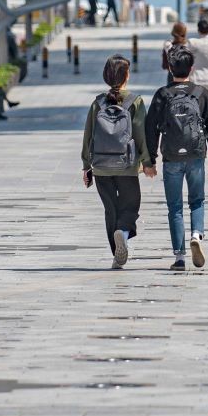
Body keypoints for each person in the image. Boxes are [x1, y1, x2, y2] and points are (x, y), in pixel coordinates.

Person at [143, 46, 208, 270]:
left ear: (169, 68)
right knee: (197, 200)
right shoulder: (201, 93)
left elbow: (151, 129)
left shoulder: (162, 94)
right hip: (196, 155)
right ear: (192, 69)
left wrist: (150, 159)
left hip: (171, 157)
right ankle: (196, 234)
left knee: (174, 207)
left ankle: (179, 257)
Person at [81, 55, 152, 268]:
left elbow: (88, 135)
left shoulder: (98, 102)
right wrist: (147, 162)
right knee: (130, 206)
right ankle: (123, 231)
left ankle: (117, 253)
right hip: (127, 165)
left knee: (110, 209)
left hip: (101, 166)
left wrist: (87, 166)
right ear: (126, 75)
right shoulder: (135, 101)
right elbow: (140, 134)